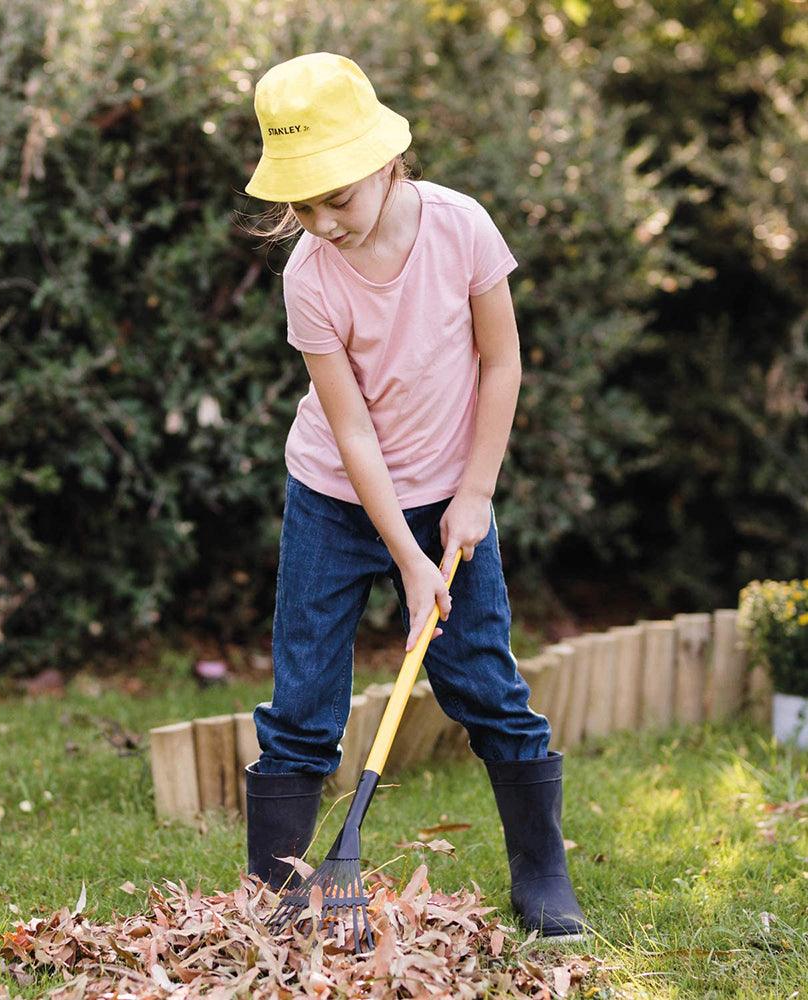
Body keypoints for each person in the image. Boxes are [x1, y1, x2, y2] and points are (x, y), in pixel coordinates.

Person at [240, 51, 587, 941]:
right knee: (303, 701)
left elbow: (501, 362)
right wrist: (406, 557)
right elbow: (352, 432)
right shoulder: (309, 277)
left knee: (485, 685)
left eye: (336, 198)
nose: (322, 223)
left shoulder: (461, 228)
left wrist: (474, 497)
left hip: (450, 498)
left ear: (387, 162)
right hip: (334, 498)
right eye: (302, 207)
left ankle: (543, 874)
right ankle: (274, 899)